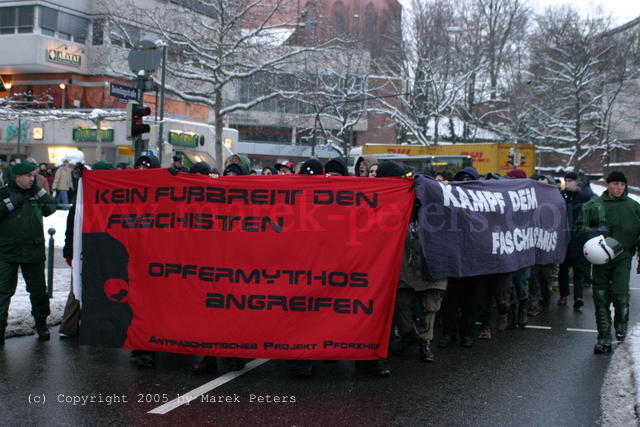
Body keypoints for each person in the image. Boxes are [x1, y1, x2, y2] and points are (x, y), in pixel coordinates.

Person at [577, 171, 640, 354]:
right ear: (608, 185)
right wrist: (596, 231)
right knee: (601, 297)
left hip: (623, 257)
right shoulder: (593, 206)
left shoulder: (634, 207)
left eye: (622, 184)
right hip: (600, 258)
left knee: (620, 296)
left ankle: (621, 326)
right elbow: (579, 228)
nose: (618, 188)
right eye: (615, 184)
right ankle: (603, 337)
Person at [0, 161, 57, 344]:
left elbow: (51, 208)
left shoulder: (35, 194)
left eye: (33, 176)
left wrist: (37, 191)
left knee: (38, 291)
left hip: (33, 250)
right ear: (17, 177)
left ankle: (41, 324)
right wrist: (11, 202)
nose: (32, 179)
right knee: (3, 292)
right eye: (28, 176)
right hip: (7, 251)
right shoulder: (4, 193)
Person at [59, 161, 115, 338]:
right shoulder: (86, 199)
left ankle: (74, 326)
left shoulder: (91, 197)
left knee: (82, 288)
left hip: (99, 249)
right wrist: (69, 253)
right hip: (90, 249)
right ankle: (73, 326)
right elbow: (71, 228)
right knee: (80, 288)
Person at [558, 172, 592, 310]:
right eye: (566, 180)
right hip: (564, 238)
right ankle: (564, 295)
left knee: (579, 270)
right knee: (563, 269)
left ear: (577, 182)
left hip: (579, 238)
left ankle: (578, 297)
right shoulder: (560, 195)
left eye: (570, 180)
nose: (567, 182)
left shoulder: (584, 197)